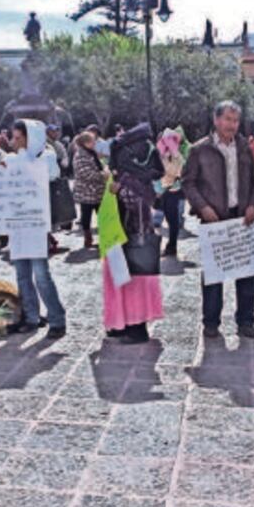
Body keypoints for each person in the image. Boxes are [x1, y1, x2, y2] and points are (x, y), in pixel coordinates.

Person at [182, 100, 254, 340]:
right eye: (227, 119)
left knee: (247, 274)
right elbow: (188, 182)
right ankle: (211, 322)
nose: (231, 125)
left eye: (235, 120)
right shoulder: (199, 149)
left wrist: (253, 204)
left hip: (242, 220)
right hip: (214, 221)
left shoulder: (245, 147)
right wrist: (202, 206)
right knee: (213, 277)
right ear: (216, 120)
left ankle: (246, 321)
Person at [105, 123, 165, 344]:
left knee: (131, 279)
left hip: (130, 231)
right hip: (135, 230)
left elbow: (133, 204)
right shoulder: (146, 156)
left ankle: (136, 328)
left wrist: (118, 187)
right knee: (130, 278)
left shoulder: (125, 166)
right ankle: (124, 324)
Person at [6, 119, 66, 339]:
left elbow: (51, 175)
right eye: (14, 137)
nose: (14, 142)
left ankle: (57, 319)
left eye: (19, 137)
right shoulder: (11, 160)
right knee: (22, 275)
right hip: (18, 225)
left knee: (41, 275)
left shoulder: (46, 157)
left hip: (36, 225)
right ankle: (31, 317)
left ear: (30, 138)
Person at [72, 131, 107, 249]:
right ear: (86, 143)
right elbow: (86, 174)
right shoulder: (80, 155)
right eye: (92, 141)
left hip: (97, 191)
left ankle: (103, 238)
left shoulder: (91, 153)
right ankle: (88, 238)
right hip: (87, 192)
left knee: (102, 215)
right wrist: (103, 175)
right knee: (86, 216)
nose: (95, 143)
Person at [156, 128, 186, 258]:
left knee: (172, 221)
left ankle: (171, 247)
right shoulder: (163, 154)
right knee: (167, 220)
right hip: (163, 191)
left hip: (171, 191)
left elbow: (176, 173)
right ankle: (169, 246)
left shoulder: (176, 156)